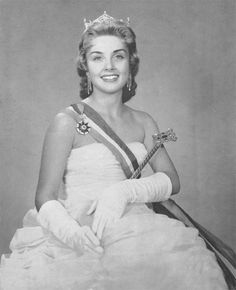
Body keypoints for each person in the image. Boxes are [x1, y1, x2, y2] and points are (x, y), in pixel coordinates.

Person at [0, 11, 228, 290]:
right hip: (81, 235)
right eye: (98, 57)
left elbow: (171, 180)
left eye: (118, 56)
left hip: (140, 234)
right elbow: (44, 196)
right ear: (85, 65)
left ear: (130, 63)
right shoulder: (67, 121)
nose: (109, 66)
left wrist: (123, 191)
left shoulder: (144, 121)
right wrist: (71, 234)